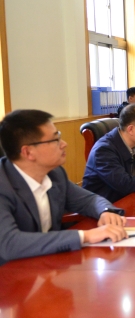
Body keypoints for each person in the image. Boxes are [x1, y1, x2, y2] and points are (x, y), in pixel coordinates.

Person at [0, 110, 128, 265]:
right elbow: (9, 244)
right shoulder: (3, 184)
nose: (64, 144)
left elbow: (89, 200)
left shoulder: (55, 174)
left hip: (46, 265)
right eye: (55, 139)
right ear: (28, 152)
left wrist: (106, 211)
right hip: (9, 272)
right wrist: (85, 236)